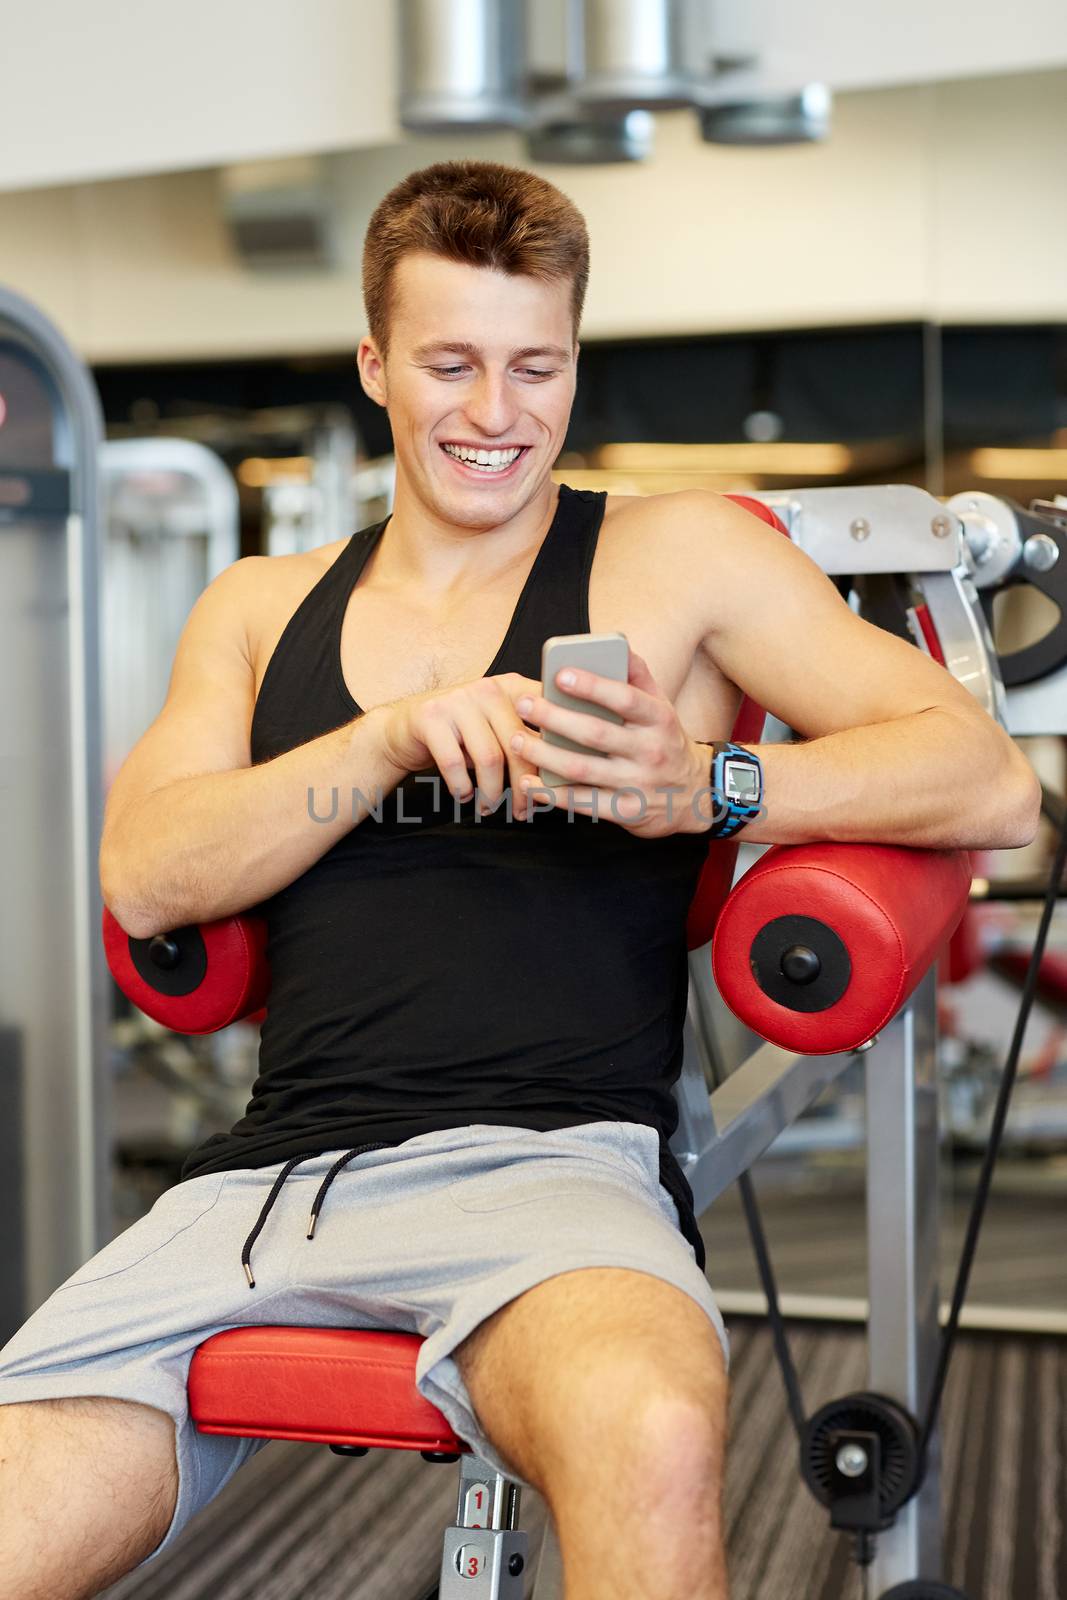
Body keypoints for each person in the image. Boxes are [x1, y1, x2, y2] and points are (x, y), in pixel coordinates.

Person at [0, 160, 1039, 1600]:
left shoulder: (673, 557)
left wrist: (715, 788)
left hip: (550, 1177)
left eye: (535, 366)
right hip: (263, 1191)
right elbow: (146, 875)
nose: (496, 414)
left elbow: (981, 774)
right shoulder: (258, 609)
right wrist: (381, 744)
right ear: (376, 364)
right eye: (452, 364)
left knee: (662, 1433)